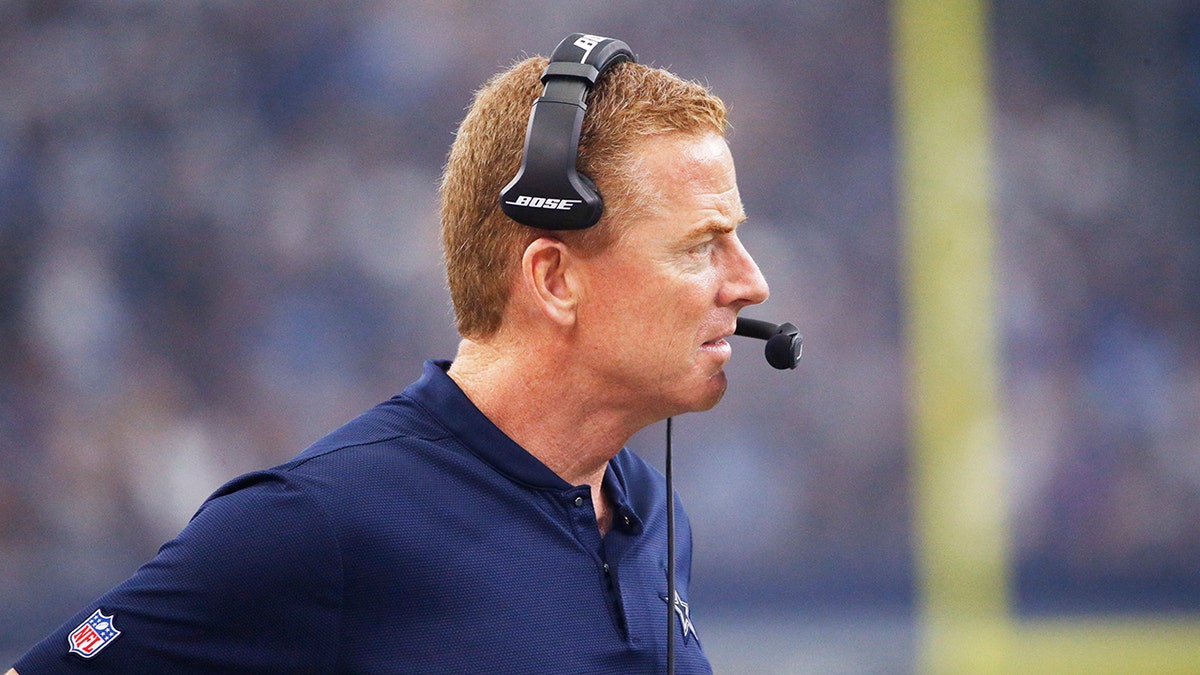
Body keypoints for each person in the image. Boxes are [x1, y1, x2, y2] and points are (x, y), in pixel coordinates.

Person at [9, 35, 769, 674]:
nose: (751, 283)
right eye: (701, 246)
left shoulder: (651, 511)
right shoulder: (317, 522)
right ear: (554, 277)